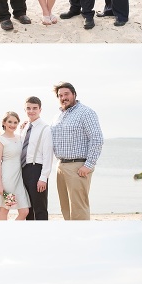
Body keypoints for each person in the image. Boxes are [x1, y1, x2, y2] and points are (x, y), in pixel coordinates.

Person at [51, 82, 103, 220]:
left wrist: (88, 165)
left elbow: (97, 139)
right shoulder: (58, 116)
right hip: (61, 166)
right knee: (65, 207)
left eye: (66, 94)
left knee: (79, 208)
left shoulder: (86, 112)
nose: (63, 97)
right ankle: (71, 237)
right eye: (60, 95)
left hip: (78, 166)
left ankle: (83, 238)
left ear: (74, 94)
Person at [0, 111, 30, 220]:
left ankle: (11, 232)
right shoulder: (0, 140)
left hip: (19, 180)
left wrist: (24, 127)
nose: (12, 125)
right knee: (5, 209)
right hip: (7, 181)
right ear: (4, 123)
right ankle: (3, 233)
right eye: (10, 122)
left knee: (24, 211)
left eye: (15, 122)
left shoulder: (20, 137)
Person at [21, 96, 53, 220]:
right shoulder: (24, 128)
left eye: (35, 108)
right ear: (25, 110)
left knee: (40, 207)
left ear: (40, 109)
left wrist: (43, 177)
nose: (31, 111)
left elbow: (48, 155)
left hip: (37, 170)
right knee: (27, 207)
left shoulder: (46, 129)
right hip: (23, 169)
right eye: (28, 108)